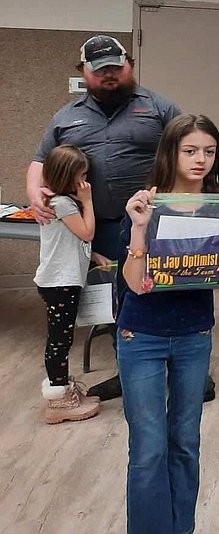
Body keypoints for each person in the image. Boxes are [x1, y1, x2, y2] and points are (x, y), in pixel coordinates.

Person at [27, 34, 181, 401]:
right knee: (116, 306)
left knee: (163, 297)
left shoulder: (160, 108)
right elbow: (39, 162)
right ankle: (129, 375)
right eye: (100, 71)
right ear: (84, 72)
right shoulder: (66, 117)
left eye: (116, 67)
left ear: (130, 64)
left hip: (154, 225)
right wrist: (35, 193)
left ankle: (180, 375)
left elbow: (189, 151)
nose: (110, 75)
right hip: (101, 231)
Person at [116, 114, 219, 534]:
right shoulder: (146, 203)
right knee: (147, 448)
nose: (200, 159)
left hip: (194, 334)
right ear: (171, 153)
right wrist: (140, 231)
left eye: (209, 151)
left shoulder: (218, 206)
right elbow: (132, 284)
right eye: (190, 150)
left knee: (185, 443)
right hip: (141, 334)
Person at [35, 144, 100, 424]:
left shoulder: (61, 202)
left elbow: (72, 240)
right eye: (81, 175)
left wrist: (94, 256)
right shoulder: (62, 203)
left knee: (63, 338)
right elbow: (86, 233)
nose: (84, 181)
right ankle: (58, 401)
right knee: (60, 341)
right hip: (60, 284)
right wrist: (88, 201)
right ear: (67, 176)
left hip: (62, 281)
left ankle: (63, 390)